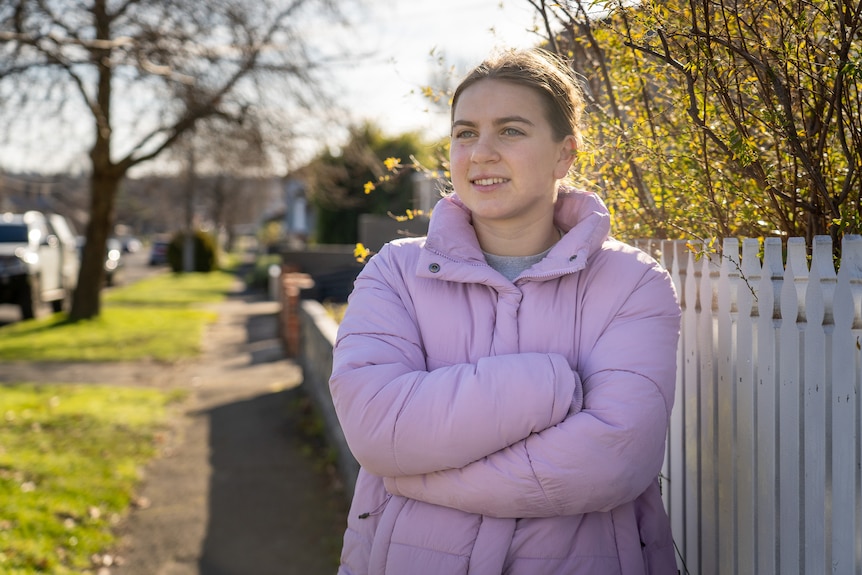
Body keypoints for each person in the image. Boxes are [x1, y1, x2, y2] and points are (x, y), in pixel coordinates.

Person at [329, 47, 681, 575]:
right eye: (465, 132)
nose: (481, 153)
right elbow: (378, 427)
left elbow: (613, 461)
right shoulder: (396, 273)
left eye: (511, 131)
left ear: (565, 154)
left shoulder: (633, 283)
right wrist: (549, 386)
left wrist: (411, 473)